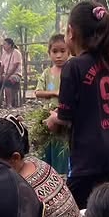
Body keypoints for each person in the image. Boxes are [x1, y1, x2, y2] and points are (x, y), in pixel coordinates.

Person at [46, 2, 109, 209]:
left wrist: (52, 118)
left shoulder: (73, 66)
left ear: (71, 32)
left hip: (90, 157)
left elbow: (65, 117)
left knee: (80, 213)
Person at [35, 34, 71, 175]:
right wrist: (55, 93)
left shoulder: (70, 71)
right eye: (55, 52)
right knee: (46, 147)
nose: (59, 55)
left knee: (62, 146)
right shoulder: (47, 73)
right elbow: (38, 92)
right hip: (46, 115)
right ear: (49, 53)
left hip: (63, 117)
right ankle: (47, 174)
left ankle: (61, 175)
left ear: (68, 51)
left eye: (62, 51)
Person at [0, 38, 23, 107]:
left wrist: (7, 76)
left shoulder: (16, 52)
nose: (3, 46)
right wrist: (0, 75)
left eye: (5, 44)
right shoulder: (4, 54)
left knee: (8, 82)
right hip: (5, 74)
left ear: (10, 45)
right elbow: (2, 66)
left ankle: (9, 103)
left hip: (16, 75)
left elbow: (15, 66)